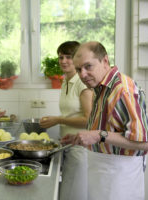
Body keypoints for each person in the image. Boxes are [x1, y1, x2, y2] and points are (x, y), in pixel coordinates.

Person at [62, 41, 148, 200]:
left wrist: (99, 135)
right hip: (102, 174)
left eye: (88, 66)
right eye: (78, 69)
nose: (82, 74)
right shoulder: (99, 87)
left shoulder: (123, 90)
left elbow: (146, 143)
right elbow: (109, 129)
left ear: (105, 61)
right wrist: (83, 139)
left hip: (120, 180)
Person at [40, 41, 93, 200]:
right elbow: (70, 113)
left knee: (74, 195)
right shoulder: (65, 80)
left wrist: (57, 120)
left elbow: (89, 119)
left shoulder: (81, 83)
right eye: (61, 57)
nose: (63, 61)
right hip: (67, 144)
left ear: (77, 59)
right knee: (66, 193)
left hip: (80, 147)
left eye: (68, 57)